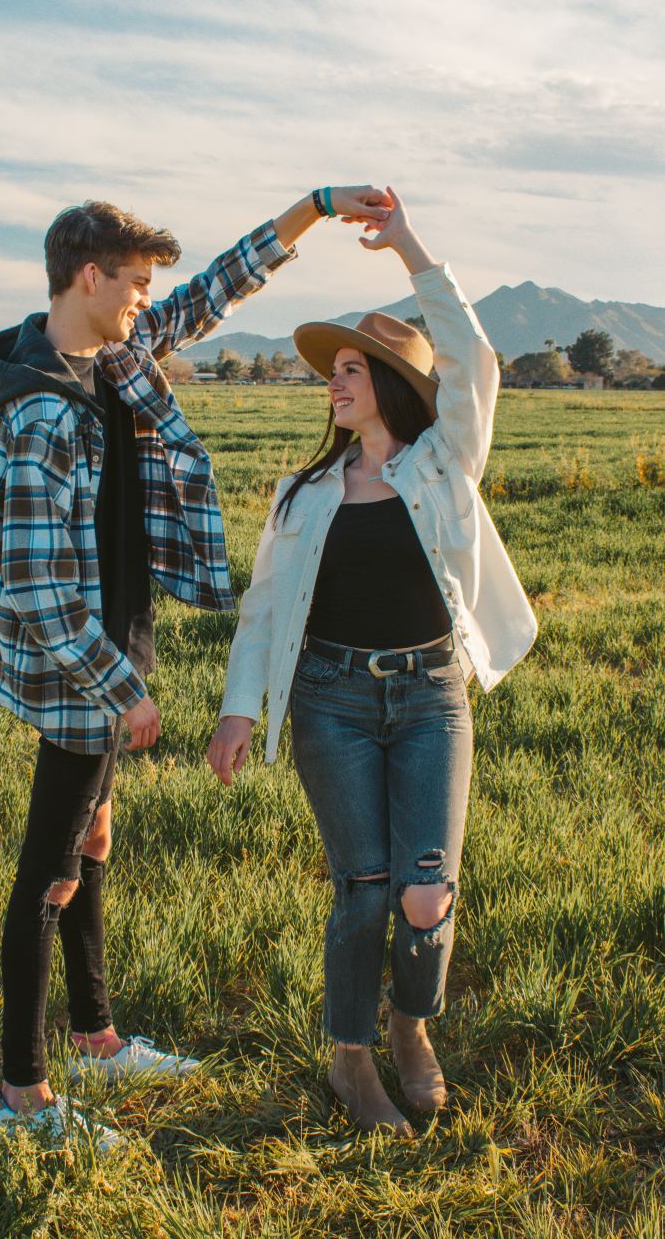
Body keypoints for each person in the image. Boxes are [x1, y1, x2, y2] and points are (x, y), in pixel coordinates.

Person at [0, 184, 391, 1142]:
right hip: (78, 661)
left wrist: (311, 209)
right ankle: (22, 1092)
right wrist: (123, 692)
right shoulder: (39, 412)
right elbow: (39, 594)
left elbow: (209, 295)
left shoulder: (108, 353)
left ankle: (97, 1039)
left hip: (112, 633)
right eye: (133, 283)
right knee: (50, 871)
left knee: (93, 842)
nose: (144, 302)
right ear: (90, 275)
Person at [208, 187, 537, 1137]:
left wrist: (409, 248)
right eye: (334, 371)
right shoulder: (302, 494)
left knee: (426, 887)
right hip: (332, 700)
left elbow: (475, 357)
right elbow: (266, 609)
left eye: (351, 370)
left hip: (433, 694)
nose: (333, 384)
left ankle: (409, 1027)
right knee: (361, 888)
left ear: (393, 384)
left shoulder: (442, 465)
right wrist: (239, 708)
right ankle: (351, 1059)